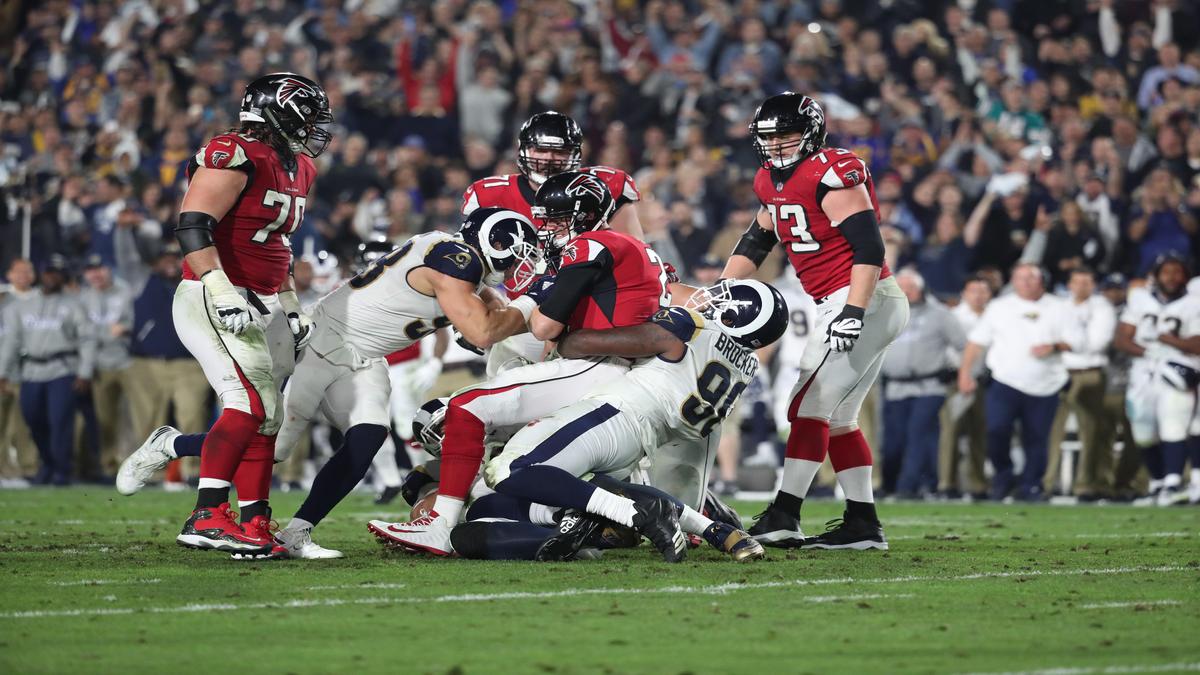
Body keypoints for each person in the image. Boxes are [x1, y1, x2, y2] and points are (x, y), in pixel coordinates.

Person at [121, 208, 543, 559]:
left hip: (363, 357)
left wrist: (507, 311)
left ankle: (298, 531)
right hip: (326, 341)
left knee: (369, 436)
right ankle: (171, 444)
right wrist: (532, 302)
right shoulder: (455, 260)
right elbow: (486, 331)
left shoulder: (453, 256)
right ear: (496, 243)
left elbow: (490, 314)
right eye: (519, 252)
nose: (520, 263)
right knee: (275, 445)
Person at [368, 171, 674, 556]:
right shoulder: (635, 248)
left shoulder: (592, 245)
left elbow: (546, 327)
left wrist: (534, 295)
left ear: (585, 215)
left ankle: (440, 524)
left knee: (465, 407)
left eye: (556, 219)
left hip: (597, 365)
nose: (546, 228)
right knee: (503, 445)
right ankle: (688, 522)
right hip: (620, 373)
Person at [145, 73, 331, 557]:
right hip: (216, 293)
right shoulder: (234, 151)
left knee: (268, 415)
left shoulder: (300, 166)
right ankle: (206, 514)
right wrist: (220, 286)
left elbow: (277, 243)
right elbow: (192, 224)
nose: (313, 128)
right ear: (278, 112)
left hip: (264, 297)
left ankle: (252, 521)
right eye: (307, 116)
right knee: (247, 403)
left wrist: (290, 304)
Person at [473, 279, 788, 563]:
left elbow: (579, 344)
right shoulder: (744, 366)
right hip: (640, 446)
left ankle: (632, 512)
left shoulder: (688, 327)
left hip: (612, 418)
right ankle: (714, 529)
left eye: (724, 300)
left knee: (507, 469)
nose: (711, 300)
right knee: (487, 505)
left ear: (733, 316)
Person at [721, 93, 909, 550]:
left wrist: (853, 311)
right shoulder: (768, 179)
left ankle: (785, 513)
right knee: (839, 419)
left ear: (811, 133)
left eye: (786, 134)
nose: (777, 145)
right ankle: (863, 524)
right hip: (836, 300)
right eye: (769, 137)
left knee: (805, 407)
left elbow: (869, 250)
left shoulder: (833, 171)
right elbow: (757, 241)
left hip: (861, 297)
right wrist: (719, 290)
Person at [958, 263, 1070, 501]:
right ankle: (1003, 476)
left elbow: (1074, 340)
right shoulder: (999, 307)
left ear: (1042, 281)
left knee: (1037, 438)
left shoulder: (1060, 307)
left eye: (1031, 278)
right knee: (996, 430)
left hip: (1046, 384)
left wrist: (1054, 347)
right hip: (1004, 380)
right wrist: (965, 373)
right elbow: (976, 342)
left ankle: (1031, 485)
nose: (1026, 282)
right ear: (1014, 281)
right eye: (1020, 278)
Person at [0, 256, 97, 485]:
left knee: (60, 422)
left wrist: (84, 372)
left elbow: (87, 339)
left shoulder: (74, 304)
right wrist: (2, 372)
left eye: (57, 273)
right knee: (33, 420)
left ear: (63, 276)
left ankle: (62, 470)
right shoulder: (22, 306)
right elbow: (11, 341)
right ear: (41, 276)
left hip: (62, 368)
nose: (52, 277)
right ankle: (47, 463)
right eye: (48, 272)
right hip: (31, 370)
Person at [1115, 254, 1195, 505]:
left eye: (1177, 272)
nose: (1172, 277)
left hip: (1178, 368)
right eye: (1167, 272)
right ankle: (1158, 482)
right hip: (1142, 371)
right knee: (1143, 432)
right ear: (1156, 275)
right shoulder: (1140, 299)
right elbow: (1121, 338)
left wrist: (1170, 341)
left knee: (1174, 423)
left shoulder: (1194, 302)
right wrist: (1148, 350)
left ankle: (1173, 484)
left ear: (1185, 276)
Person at [879, 269, 965, 498]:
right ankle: (890, 484)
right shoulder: (884, 313)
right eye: (901, 288)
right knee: (893, 440)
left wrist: (963, 373)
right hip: (895, 387)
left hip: (930, 386)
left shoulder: (940, 314)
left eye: (911, 288)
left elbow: (964, 346)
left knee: (918, 433)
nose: (906, 292)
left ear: (922, 289)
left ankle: (908, 487)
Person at [1043, 268, 1117, 499]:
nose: (1082, 286)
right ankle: (1047, 483)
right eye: (1077, 281)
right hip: (1058, 373)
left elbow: (1098, 342)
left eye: (1087, 281)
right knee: (1052, 430)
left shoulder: (1102, 307)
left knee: (1091, 430)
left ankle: (1086, 484)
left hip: (1090, 373)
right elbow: (1045, 336)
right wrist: (1063, 344)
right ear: (1070, 284)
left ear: (1094, 284)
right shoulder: (1058, 307)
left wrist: (1063, 345)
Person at [77, 254, 133, 480]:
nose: (96, 273)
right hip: (99, 364)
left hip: (129, 361)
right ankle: (109, 467)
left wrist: (121, 329)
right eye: (91, 269)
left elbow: (132, 324)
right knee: (105, 419)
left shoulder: (125, 290)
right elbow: (84, 334)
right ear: (85, 274)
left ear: (109, 270)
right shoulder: (83, 297)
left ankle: (134, 467)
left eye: (99, 268)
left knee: (133, 419)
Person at [938, 275, 992, 499]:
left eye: (983, 291)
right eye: (974, 291)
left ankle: (978, 484)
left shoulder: (995, 316)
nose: (978, 296)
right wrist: (962, 374)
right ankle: (947, 483)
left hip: (985, 381)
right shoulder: (952, 316)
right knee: (951, 432)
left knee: (980, 434)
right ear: (964, 293)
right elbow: (945, 348)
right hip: (956, 382)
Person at [0, 259, 39, 485]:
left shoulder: (40, 298)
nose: (23, 275)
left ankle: (28, 469)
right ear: (9, 274)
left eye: (28, 270)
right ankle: (4, 469)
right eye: (19, 271)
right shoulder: (4, 299)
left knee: (25, 424)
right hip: (5, 369)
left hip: (30, 370)